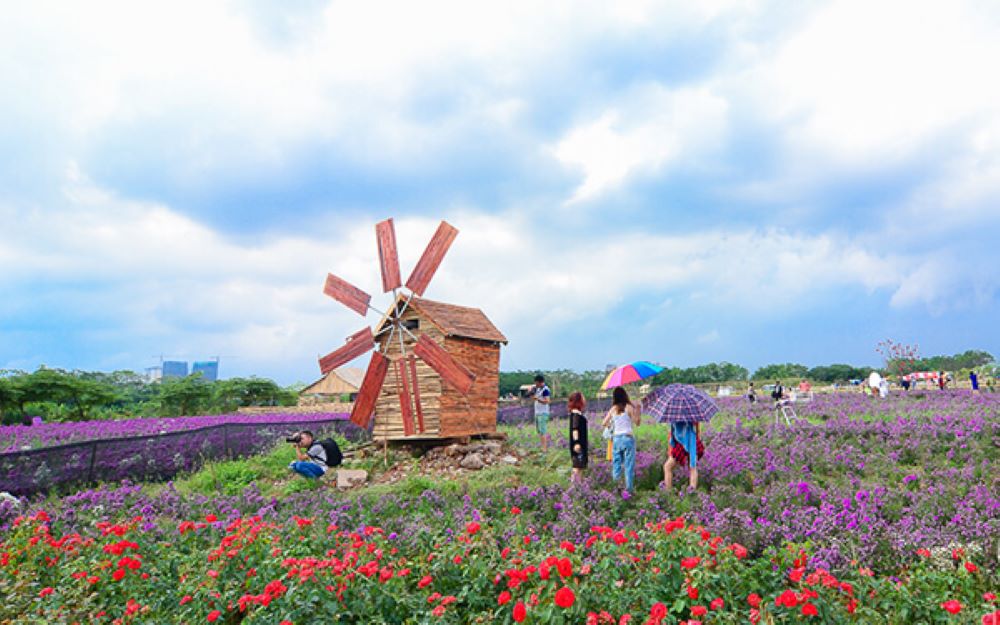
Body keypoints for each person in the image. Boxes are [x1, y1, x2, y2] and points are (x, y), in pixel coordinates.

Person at [602, 386, 641, 493]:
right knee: (629, 466)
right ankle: (629, 490)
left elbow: (604, 423)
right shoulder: (629, 407)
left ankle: (616, 489)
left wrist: (613, 423)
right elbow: (637, 423)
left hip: (616, 439)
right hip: (628, 438)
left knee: (616, 465)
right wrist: (638, 410)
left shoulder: (613, 409)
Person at [662, 420, 703, 491]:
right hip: (692, 440)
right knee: (693, 468)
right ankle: (692, 494)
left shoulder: (675, 414)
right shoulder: (692, 412)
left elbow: (673, 433)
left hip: (681, 443)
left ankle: (668, 493)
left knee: (667, 467)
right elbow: (697, 430)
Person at [567, 392, 588, 483]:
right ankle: (574, 486)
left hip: (581, 443)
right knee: (576, 466)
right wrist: (576, 443)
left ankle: (579, 486)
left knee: (579, 466)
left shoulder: (577, 413)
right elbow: (575, 429)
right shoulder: (576, 415)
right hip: (578, 444)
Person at [531, 374, 552, 451]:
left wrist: (537, 399)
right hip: (537, 412)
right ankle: (542, 447)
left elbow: (547, 401)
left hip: (543, 413)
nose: (535, 384)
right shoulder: (538, 389)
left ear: (539, 382)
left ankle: (544, 449)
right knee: (539, 431)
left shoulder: (545, 390)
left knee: (543, 431)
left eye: (536, 382)